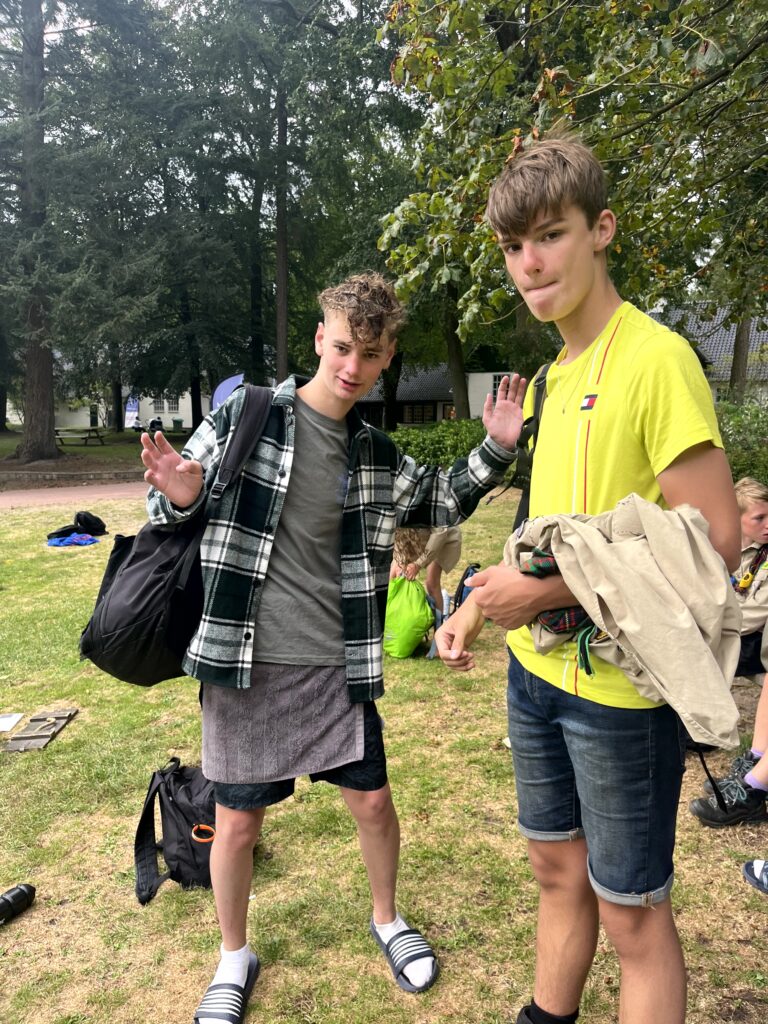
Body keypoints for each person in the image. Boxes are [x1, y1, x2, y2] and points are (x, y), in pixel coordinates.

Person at [140, 272, 526, 1024]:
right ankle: (233, 956)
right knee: (237, 822)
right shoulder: (248, 415)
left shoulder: (374, 451)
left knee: (374, 802)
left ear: (388, 357)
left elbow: (439, 499)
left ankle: (387, 919)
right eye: (344, 346)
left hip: (338, 663)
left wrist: (497, 447)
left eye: (371, 354)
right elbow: (168, 497)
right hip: (247, 663)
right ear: (320, 338)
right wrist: (184, 493)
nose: (354, 366)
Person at [434, 134, 740, 1024]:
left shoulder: (657, 359)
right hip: (535, 675)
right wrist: (478, 605)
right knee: (554, 869)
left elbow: (714, 545)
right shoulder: (549, 380)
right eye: (512, 246)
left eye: (550, 235)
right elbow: (554, 534)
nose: (529, 264)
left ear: (601, 229)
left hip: (622, 695)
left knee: (632, 915)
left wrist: (543, 596)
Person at [689, 477, 768, 826]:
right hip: (742, 637)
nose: (767, 525)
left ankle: (753, 790)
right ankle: (755, 762)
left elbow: (751, 615)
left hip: (747, 641)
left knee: (702, 651)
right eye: (759, 518)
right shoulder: (732, 551)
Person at [390, 525, 463, 619]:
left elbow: (440, 534)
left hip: (442, 539)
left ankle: (439, 622)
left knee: (431, 583)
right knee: (393, 576)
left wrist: (418, 564)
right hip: (416, 538)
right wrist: (401, 560)